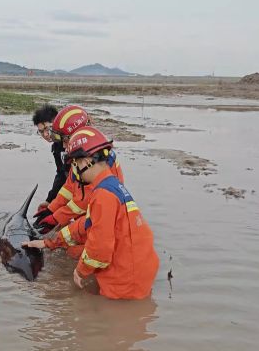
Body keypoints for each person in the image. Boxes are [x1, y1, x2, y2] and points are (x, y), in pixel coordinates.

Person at [26, 126, 159, 299]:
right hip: (139, 267)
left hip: (125, 281)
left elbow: (100, 250)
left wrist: (80, 271)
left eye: (74, 164)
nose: (74, 170)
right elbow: (86, 225)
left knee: (106, 320)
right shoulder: (110, 186)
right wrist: (50, 242)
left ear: (86, 161)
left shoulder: (102, 196)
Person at [32, 106, 123, 260]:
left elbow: (83, 201)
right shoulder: (82, 155)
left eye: (65, 141)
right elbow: (68, 186)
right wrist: (51, 208)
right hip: (87, 212)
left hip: (99, 215)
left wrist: (56, 218)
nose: (64, 147)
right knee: (68, 246)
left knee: (78, 253)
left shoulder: (95, 162)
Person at [32, 104, 69, 205]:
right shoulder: (57, 147)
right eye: (41, 131)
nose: (45, 135)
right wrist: (49, 200)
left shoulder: (73, 141)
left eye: (48, 129)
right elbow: (61, 175)